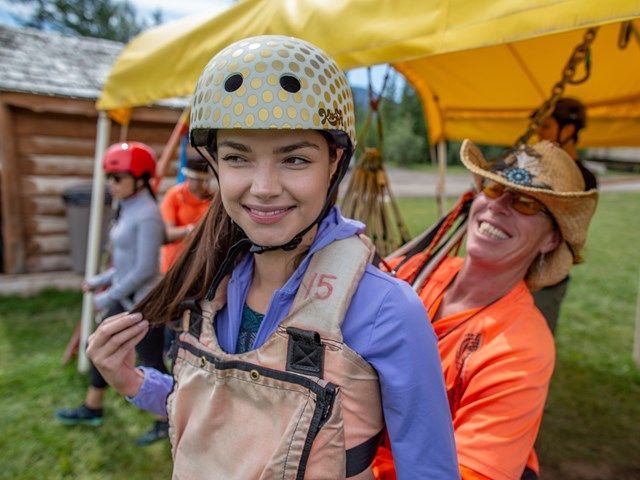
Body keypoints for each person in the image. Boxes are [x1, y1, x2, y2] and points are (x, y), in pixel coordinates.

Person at [86, 35, 459, 479]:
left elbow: (430, 468)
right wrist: (133, 383)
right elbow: (218, 410)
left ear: (334, 162)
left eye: (295, 159)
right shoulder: (208, 286)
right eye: (237, 158)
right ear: (215, 164)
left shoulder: (386, 311)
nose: (263, 187)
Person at [374, 140, 598, 480]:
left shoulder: (521, 346)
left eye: (525, 203)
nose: (500, 206)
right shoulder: (413, 269)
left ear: (550, 239)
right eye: (494, 188)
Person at [55, 142, 167, 444]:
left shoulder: (147, 215)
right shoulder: (128, 207)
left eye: (117, 178)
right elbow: (124, 262)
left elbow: (144, 269)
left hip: (146, 303)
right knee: (100, 347)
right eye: (109, 177)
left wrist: (107, 296)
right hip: (127, 297)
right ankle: (93, 407)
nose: (110, 184)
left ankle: (166, 419)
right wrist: (98, 280)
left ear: (141, 178)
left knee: (151, 360)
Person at [533, 97, 598, 331]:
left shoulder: (584, 180)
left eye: (546, 126)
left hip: (545, 281)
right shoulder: (534, 167)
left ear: (568, 130)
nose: (539, 133)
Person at [160, 155, 214, 274]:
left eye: (204, 180)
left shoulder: (212, 199)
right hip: (175, 264)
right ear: (188, 177)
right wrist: (191, 230)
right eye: (197, 179)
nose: (202, 184)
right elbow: (168, 234)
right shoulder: (174, 195)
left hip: (200, 265)